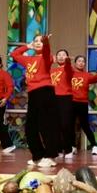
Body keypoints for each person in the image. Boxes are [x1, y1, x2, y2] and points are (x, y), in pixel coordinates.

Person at [11, 34, 59, 168]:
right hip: (33, 93)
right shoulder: (28, 59)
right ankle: (38, 155)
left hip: (45, 91)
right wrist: (27, 46)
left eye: (40, 42)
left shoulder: (46, 57)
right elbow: (14, 54)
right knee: (30, 127)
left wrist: (46, 42)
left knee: (46, 126)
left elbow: (47, 50)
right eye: (36, 41)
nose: (38, 43)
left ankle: (50, 156)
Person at [71, 55, 97, 155]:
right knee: (70, 125)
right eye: (79, 61)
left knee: (84, 125)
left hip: (83, 103)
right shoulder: (70, 73)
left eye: (83, 61)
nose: (81, 63)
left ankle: (94, 146)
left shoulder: (87, 75)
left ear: (85, 64)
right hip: (71, 102)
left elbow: (94, 79)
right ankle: (73, 146)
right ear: (75, 63)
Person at [50, 49, 75, 159]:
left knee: (65, 125)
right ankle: (58, 149)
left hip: (65, 98)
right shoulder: (51, 70)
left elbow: (69, 70)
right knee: (55, 125)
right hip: (53, 98)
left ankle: (68, 149)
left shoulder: (69, 69)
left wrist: (68, 62)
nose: (61, 57)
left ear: (67, 57)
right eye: (59, 55)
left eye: (63, 55)